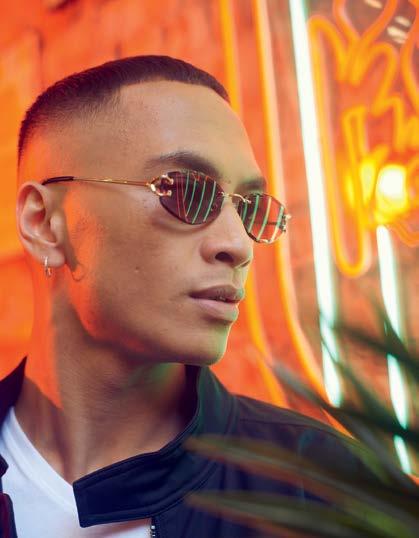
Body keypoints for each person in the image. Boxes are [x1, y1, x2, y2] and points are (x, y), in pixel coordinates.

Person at [0, 55, 363, 538]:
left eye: (250, 208)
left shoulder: (323, 488)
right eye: (184, 192)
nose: (238, 245)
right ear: (44, 224)